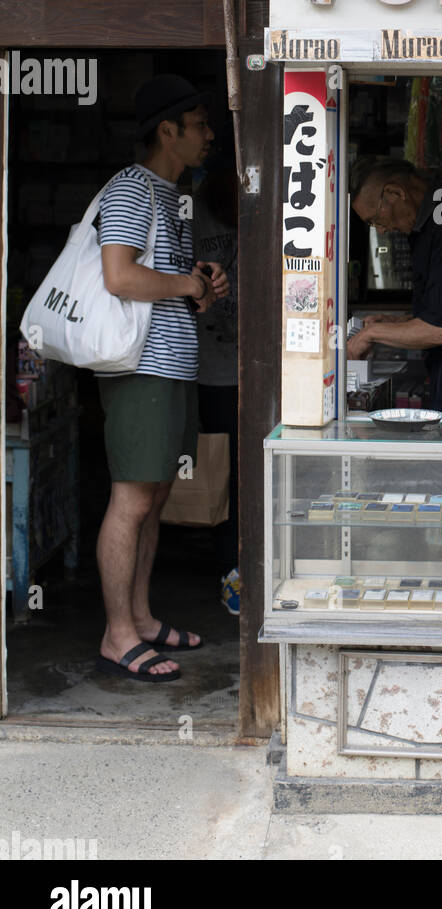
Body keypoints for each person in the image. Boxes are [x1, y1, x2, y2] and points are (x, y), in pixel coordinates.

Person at [94, 74, 229, 683]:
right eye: (199, 124)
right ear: (167, 130)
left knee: (156, 498)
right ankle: (117, 633)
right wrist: (186, 285)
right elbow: (119, 278)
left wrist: (200, 287)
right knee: (131, 498)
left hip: (172, 364)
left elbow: (161, 281)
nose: (209, 135)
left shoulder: (171, 194)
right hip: (139, 367)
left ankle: (142, 618)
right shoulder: (131, 190)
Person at [348, 157, 442, 412]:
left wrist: (372, 333)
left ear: (395, 192)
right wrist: (395, 322)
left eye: (375, 219)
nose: (381, 231)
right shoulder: (426, 226)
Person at [194, 149, 240, 617]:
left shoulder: (259, 204)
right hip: (214, 369)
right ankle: (231, 571)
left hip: (262, 364)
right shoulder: (188, 211)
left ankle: (252, 566)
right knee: (223, 473)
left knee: (257, 470)